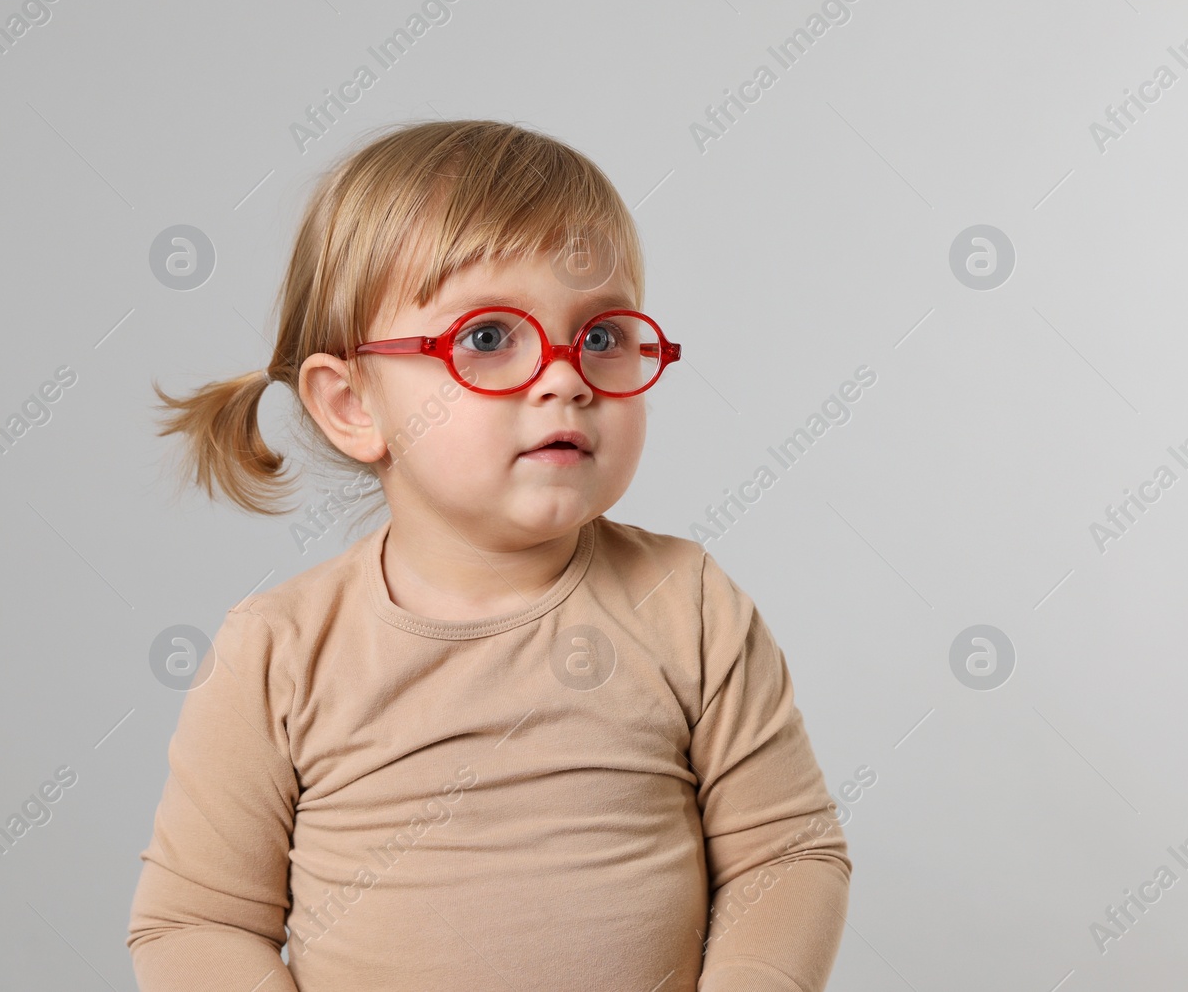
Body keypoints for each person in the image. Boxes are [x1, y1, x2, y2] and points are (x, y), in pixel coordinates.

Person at [127, 119, 851, 991]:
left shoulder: (684, 602)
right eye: (487, 338)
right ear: (353, 403)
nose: (564, 376)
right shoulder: (279, 651)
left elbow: (788, 854)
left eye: (600, 336)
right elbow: (195, 923)